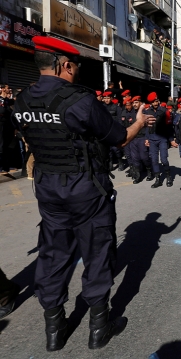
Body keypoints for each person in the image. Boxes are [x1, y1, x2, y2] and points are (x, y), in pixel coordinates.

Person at [10, 36, 155, 351]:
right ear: (64, 64)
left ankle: (54, 330)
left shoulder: (20, 100)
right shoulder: (80, 100)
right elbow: (117, 138)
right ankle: (99, 327)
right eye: (74, 66)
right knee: (98, 251)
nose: (76, 72)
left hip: (48, 188)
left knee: (53, 253)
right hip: (85, 187)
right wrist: (140, 123)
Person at [144, 92, 174, 188]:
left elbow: (169, 126)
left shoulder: (165, 111)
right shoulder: (148, 112)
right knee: (154, 160)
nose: (155, 103)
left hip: (162, 139)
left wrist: (171, 139)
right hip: (152, 139)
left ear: (158, 101)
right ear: (151, 103)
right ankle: (158, 179)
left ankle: (168, 177)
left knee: (164, 159)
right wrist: (146, 138)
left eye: (156, 101)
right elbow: (147, 127)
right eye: (153, 102)